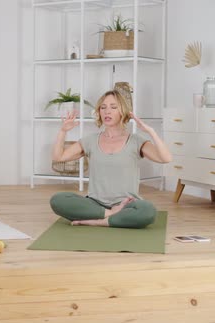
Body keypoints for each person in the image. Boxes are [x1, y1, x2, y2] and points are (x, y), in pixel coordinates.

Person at [49, 90, 172, 229]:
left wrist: (151, 132)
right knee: (58, 200)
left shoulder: (136, 141)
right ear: (99, 112)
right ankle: (110, 214)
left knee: (147, 211)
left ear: (123, 112)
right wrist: (63, 131)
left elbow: (165, 158)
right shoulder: (90, 141)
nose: (107, 111)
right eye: (103, 107)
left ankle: (98, 221)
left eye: (113, 107)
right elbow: (58, 157)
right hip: (95, 203)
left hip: (127, 204)